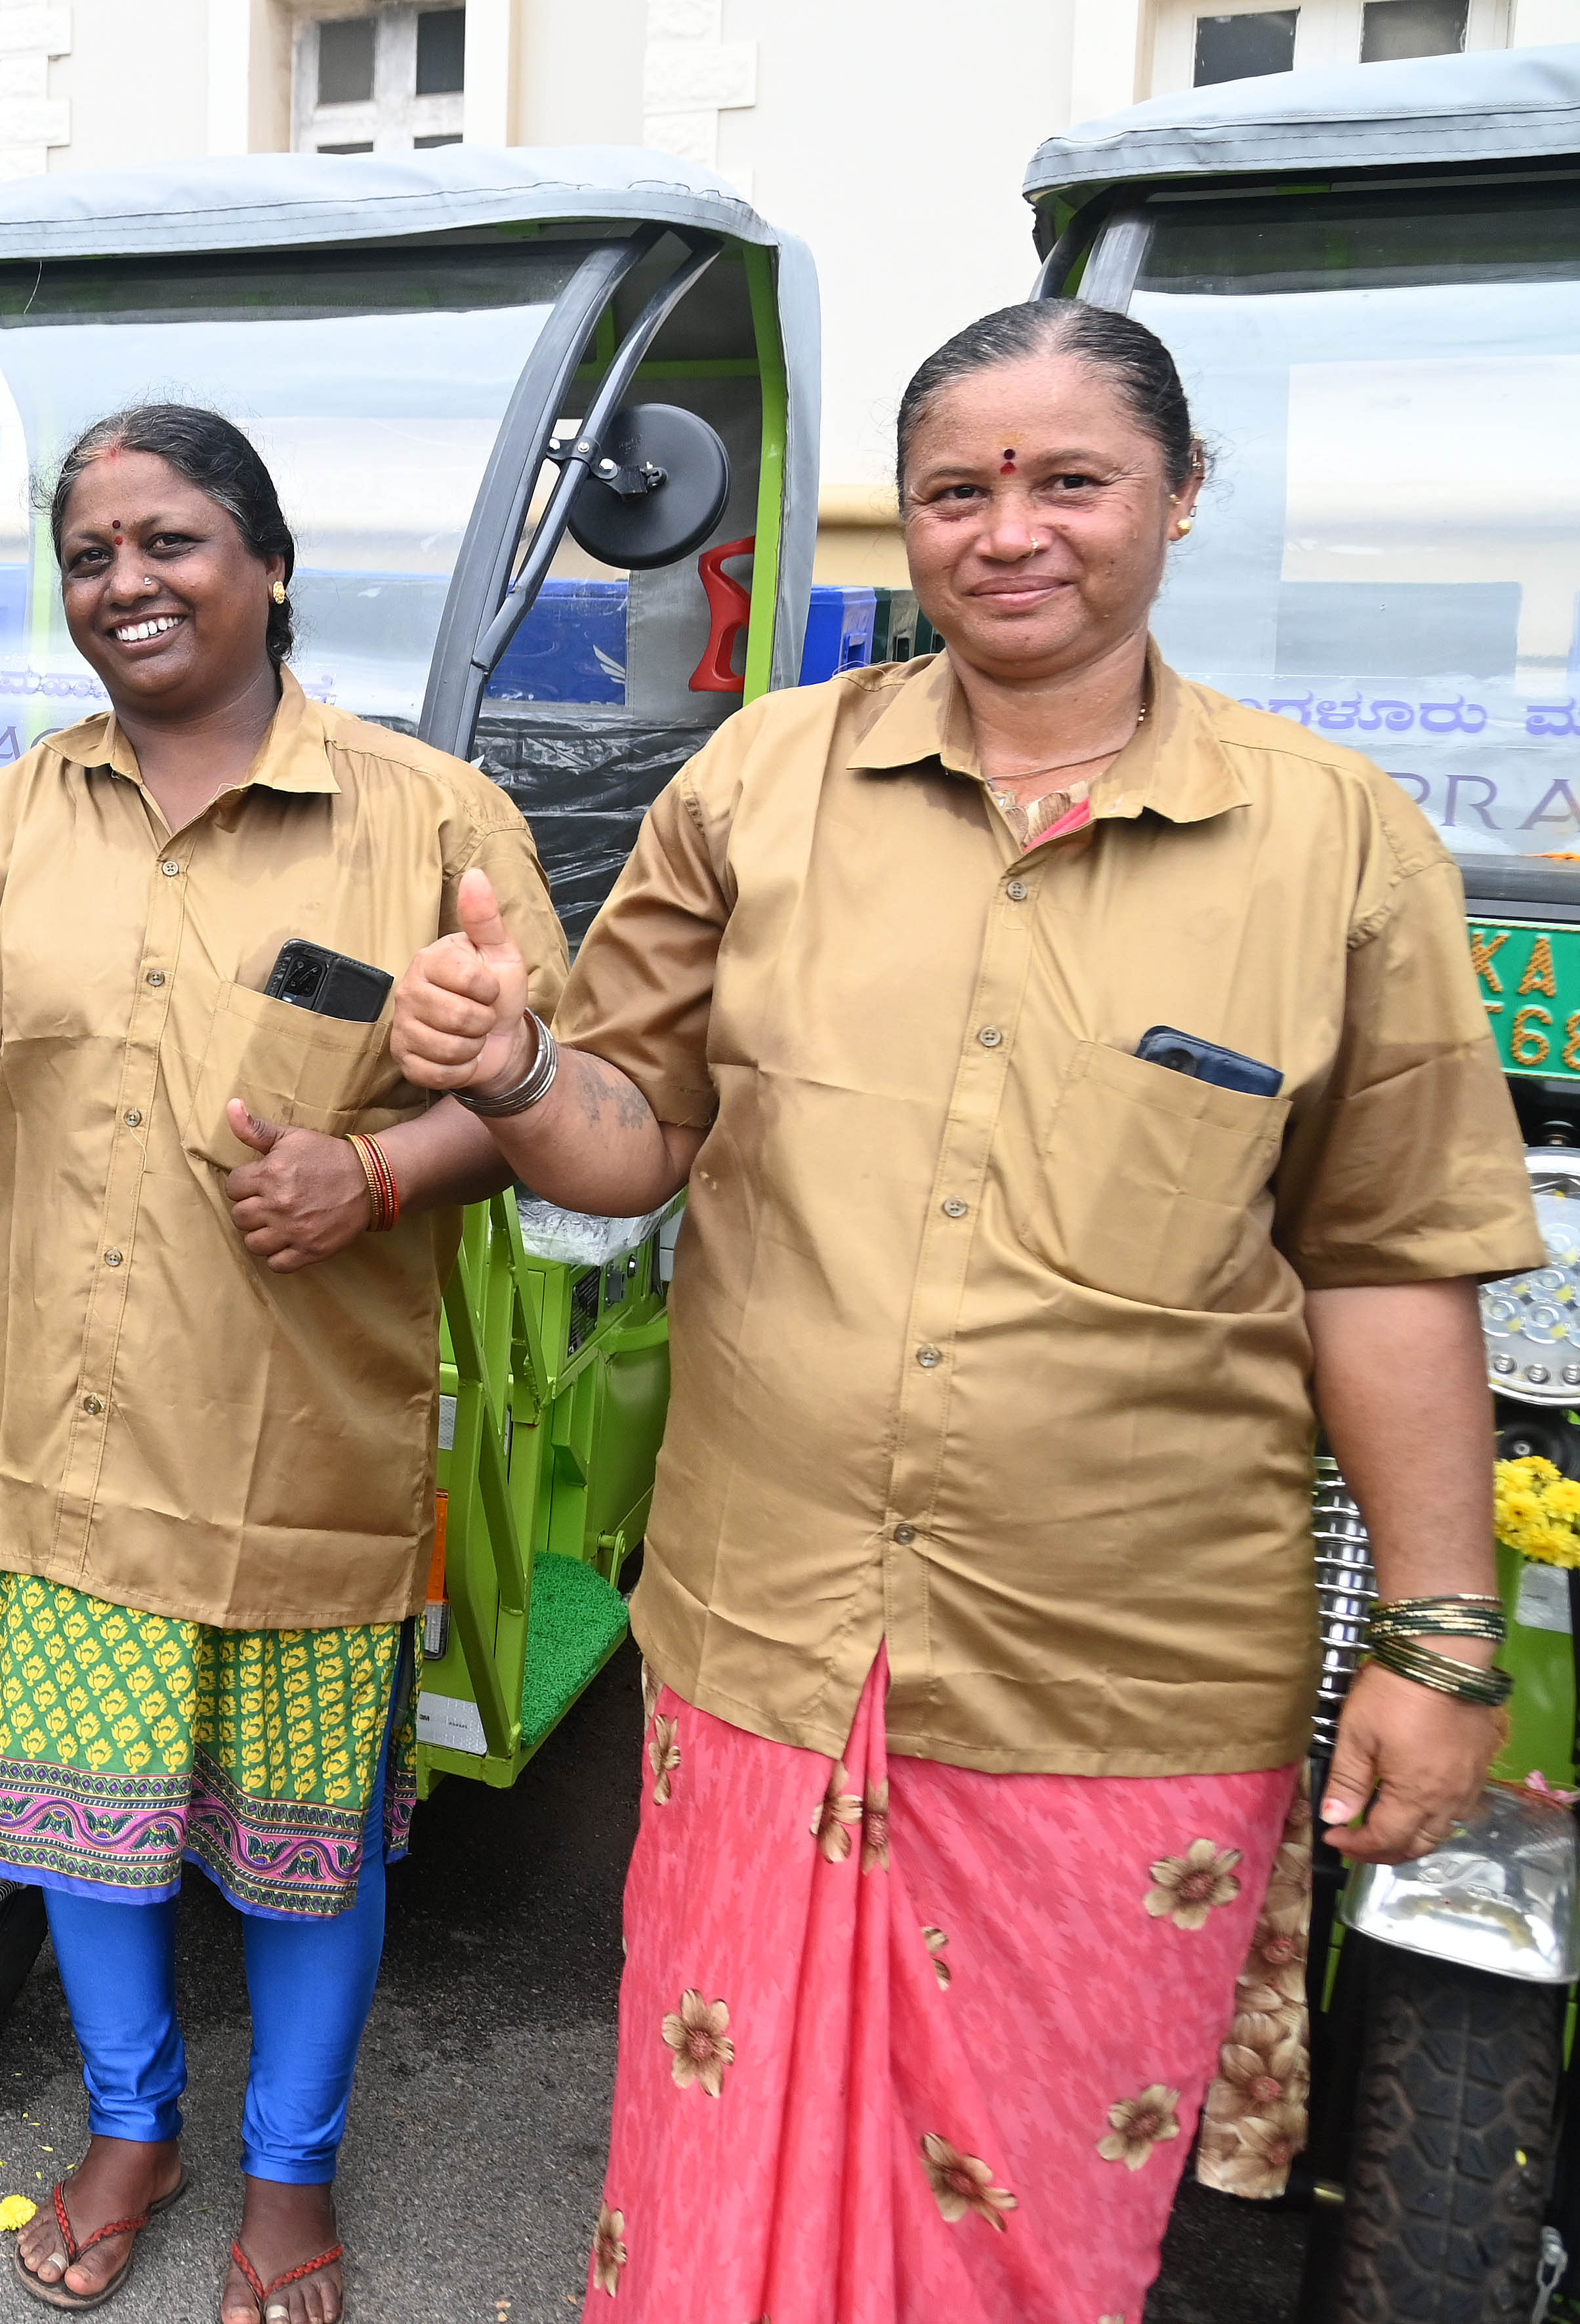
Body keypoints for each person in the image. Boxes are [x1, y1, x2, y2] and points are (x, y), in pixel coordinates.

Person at [388, 301, 1539, 2322]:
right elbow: (631, 1134)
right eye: (957, 488)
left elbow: (1386, 1259)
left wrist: (1442, 1643)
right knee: (715, 2180)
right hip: (772, 1637)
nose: (1010, 529)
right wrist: (499, 1071)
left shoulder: (1339, 841)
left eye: (1070, 478)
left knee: (1026, 2230)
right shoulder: (762, 782)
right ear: (906, 526)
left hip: (1122, 1686)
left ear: (1182, 500)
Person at [0, 403, 566, 2322]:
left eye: (174, 539)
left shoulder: (433, 818)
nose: (128, 579)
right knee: (87, 1832)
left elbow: (553, 1096)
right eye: (93, 549)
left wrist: (374, 1171)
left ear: (271, 566)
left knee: (303, 1859)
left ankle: (292, 2171)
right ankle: (135, 2125)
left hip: (300, 1450)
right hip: (56, 1433)